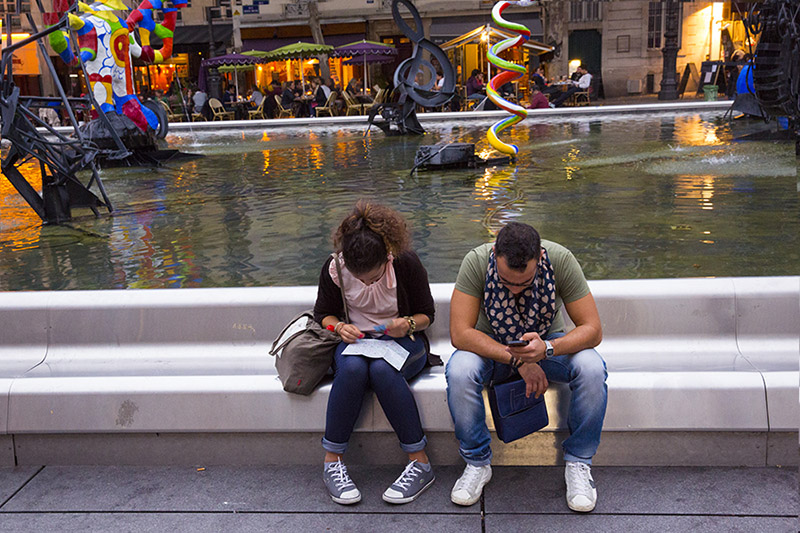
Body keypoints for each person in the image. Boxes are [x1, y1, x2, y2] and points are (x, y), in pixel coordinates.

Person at [445, 222, 606, 512]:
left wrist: (546, 350)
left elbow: (593, 329)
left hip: (546, 344)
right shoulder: (477, 261)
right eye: (507, 282)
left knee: (592, 367)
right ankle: (477, 462)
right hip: (491, 347)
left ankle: (578, 463)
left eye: (524, 282)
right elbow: (461, 333)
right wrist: (519, 359)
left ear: (540, 258)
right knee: (460, 371)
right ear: (495, 254)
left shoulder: (560, 260)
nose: (515, 289)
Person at [314, 200, 438, 506]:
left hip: (404, 341)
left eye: (373, 277)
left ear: (387, 256)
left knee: (383, 370)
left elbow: (426, 315)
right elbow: (323, 315)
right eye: (360, 279)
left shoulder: (406, 263)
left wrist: (405, 324)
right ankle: (332, 461)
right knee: (354, 369)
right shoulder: (335, 269)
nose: (366, 283)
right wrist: (339, 328)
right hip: (357, 343)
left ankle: (419, 462)